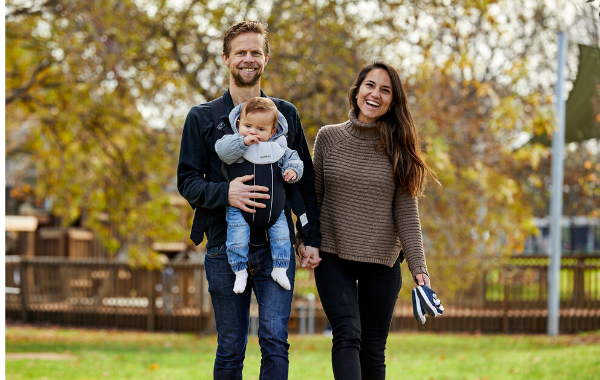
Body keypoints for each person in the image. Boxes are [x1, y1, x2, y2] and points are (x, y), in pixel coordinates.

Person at [177, 21, 321, 379]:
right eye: (240, 52)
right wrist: (227, 193)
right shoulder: (202, 118)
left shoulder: (285, 114)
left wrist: (311, 238)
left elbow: (305, 178)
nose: (248, 59)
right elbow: (187, 181)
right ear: (226, 58)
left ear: (266, 58)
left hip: (278, 246)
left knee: (275, 340)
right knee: (230, 346)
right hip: (225, 247)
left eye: (255, 52)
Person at [312, 61, 436, 380]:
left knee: (373, 349)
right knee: (347, 332)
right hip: (333, 255)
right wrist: (305, 242)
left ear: (392, 102)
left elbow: (406, 212)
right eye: (370, 85)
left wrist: (419, 268)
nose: (375, 94)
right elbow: (314, 197)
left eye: (385, 90)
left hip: (382, 259)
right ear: (356, 92)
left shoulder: (398, 149)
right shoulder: (328, 138)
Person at [215, 97, 304, 293]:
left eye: (261, 129)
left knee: (281, 236)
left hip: (275, 209)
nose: (253, 132)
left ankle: (280, 268)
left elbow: (295, 159)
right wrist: (242, 141)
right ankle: (240, 271)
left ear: (273, 131)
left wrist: (293, 171)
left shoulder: (279, 147)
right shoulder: (233, 143)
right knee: (236, 237)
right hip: (240, 208)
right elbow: (222, 151)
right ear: (238, 124)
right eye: (247, 126)